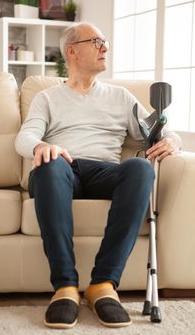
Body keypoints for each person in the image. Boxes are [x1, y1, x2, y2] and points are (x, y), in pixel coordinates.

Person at [15, 22, 181, 329]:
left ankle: (103, 284)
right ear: (73, 51)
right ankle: (65, 287)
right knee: (50, 164)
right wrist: (42, 146)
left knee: (140, 168)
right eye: (97, 41)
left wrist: (172, 140)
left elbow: (159, 128)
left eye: (105, 42)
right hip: (61, 170)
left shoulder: (121, 97)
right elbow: (24, 139)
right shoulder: (47, 98)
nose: (105, 47)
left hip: (106, 171)